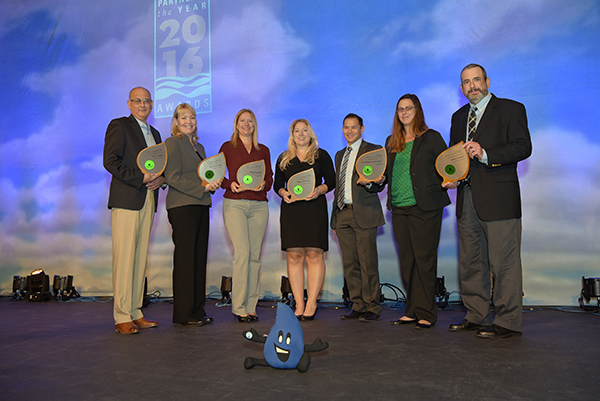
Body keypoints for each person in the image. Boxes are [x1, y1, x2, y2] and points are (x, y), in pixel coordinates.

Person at [444, 64, 532, 339]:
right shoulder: (459, 117)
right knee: (471, 262)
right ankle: (476, 314)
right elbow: (456, 158)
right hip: (467, 197)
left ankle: (507, 321)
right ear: (462, 88)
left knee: (503, 263)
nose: (472, 86)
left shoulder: (510, 109)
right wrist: (454, 178)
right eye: (466, 82)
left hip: (499, 198)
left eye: (476, 80)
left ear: (487, 81)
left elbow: (522, 147)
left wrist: (485, 153)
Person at [385, 94, 450, 329]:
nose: (404, 112)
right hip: (399, 209)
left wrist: (450, 178)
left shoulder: (431, 138)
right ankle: (412, 309)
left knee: (424, 259)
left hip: (425, 207)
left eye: (408, 108)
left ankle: (427, 312)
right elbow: (387, 175)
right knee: (407, 261)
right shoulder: (391, 141)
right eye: (400, 109)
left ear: (417, 110)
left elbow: (447, 165)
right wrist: (372, 180)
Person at [103, 87, 165, 334]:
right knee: (125, 258)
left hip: (148, 198)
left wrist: (161, 180)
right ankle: (121, 316)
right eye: (137, 101)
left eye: (146, 101)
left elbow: (161, 168)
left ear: (152, 105)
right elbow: (110, 161)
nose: (142, 104)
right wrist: (140, 178)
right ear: (129, 103)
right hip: (127, 199)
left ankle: (136, 311)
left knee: (140, 260)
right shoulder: (119, 125)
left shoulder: (156, 133)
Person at [163, 103, 220, 326]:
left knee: (198, 259)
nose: (189, 121)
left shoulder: (200, 147)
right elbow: (172, 177)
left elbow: (202, 178)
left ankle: (197, 311)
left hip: (200, 205)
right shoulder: (172, 143)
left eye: (192, 117)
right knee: (186, 261)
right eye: (183, 117)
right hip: (182, 207)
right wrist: (202, 189)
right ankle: (183, 314)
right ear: (176, 121)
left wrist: (211, 185)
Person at [274, 119, 336, 320]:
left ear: (311, 133)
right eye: (297, 131)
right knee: (294, 257)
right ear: (292, 135)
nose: (301, 134)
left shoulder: (321, 155)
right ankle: (299, 303)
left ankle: (312, 302)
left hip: (314, 210)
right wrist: (284, 193)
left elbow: (332, 181)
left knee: (314, 255)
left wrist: (319, 190)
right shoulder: (284, 158)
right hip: (292, 211)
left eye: (304, 130)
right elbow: (277, 184)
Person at [219, 109, 273, 323]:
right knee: (242, 254)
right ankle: (239, 307)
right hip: (235, 204)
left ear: (255, 125)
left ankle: (251, 306)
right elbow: (215, 173)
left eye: (250, 121)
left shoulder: (264, 150)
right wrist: (229, 183)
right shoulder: (227, 147)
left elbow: (269, 177)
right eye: (242, 120)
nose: (246, 124)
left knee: (254, 257)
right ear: (236, 124)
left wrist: (265, 184)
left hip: (259, 205)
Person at [331, 113, 386, 322]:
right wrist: (334, 219)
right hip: (343, 214)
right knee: (350, 263)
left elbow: (381, 181)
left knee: (368, 262)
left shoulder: (374, 150)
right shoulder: (339, 155)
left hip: (364, 213)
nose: (349, 131)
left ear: (362, 129)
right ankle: (358, 305)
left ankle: (373, 306)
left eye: (354, 127)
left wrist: (372, 182)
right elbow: (337, 189)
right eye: (346, 127)